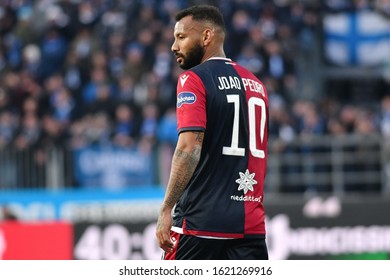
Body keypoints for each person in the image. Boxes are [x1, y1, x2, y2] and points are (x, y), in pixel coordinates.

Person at [155, 5, 269, 260]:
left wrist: (166, 208)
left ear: (206, 37)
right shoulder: (257, 85)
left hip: (202, 222)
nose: (174, 46)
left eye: (181, 37)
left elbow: (188, 148)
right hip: (250, 226)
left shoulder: (193, 79)